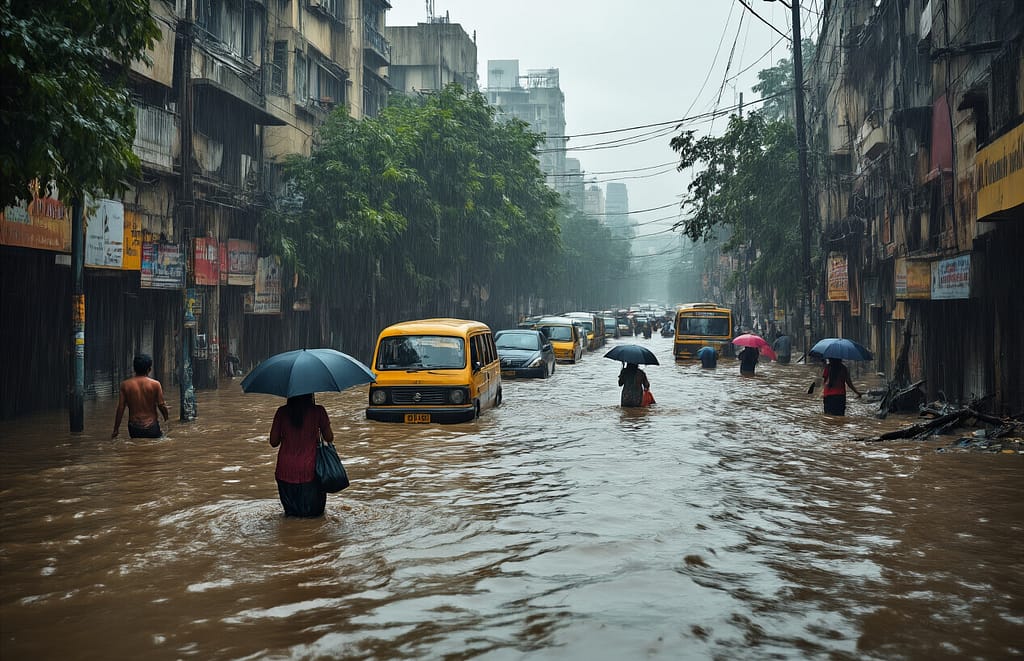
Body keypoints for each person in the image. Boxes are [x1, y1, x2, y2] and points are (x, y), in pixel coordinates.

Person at [269, 393, 334, 517]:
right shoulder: (318, 411)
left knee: (291, 517)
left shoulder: (281, 412)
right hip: (311, 471)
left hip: (285, 471)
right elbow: (329, 438)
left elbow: (273, 442)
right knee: (314, 518)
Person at [112, 354, 169, 438]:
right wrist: (166, 418)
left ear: (134, 369)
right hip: (151, 426)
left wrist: (116, 429)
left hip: (134, 428)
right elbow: (161, 405)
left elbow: (121, 408)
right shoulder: (155, 384)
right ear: (149, 369)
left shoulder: (125, 385)